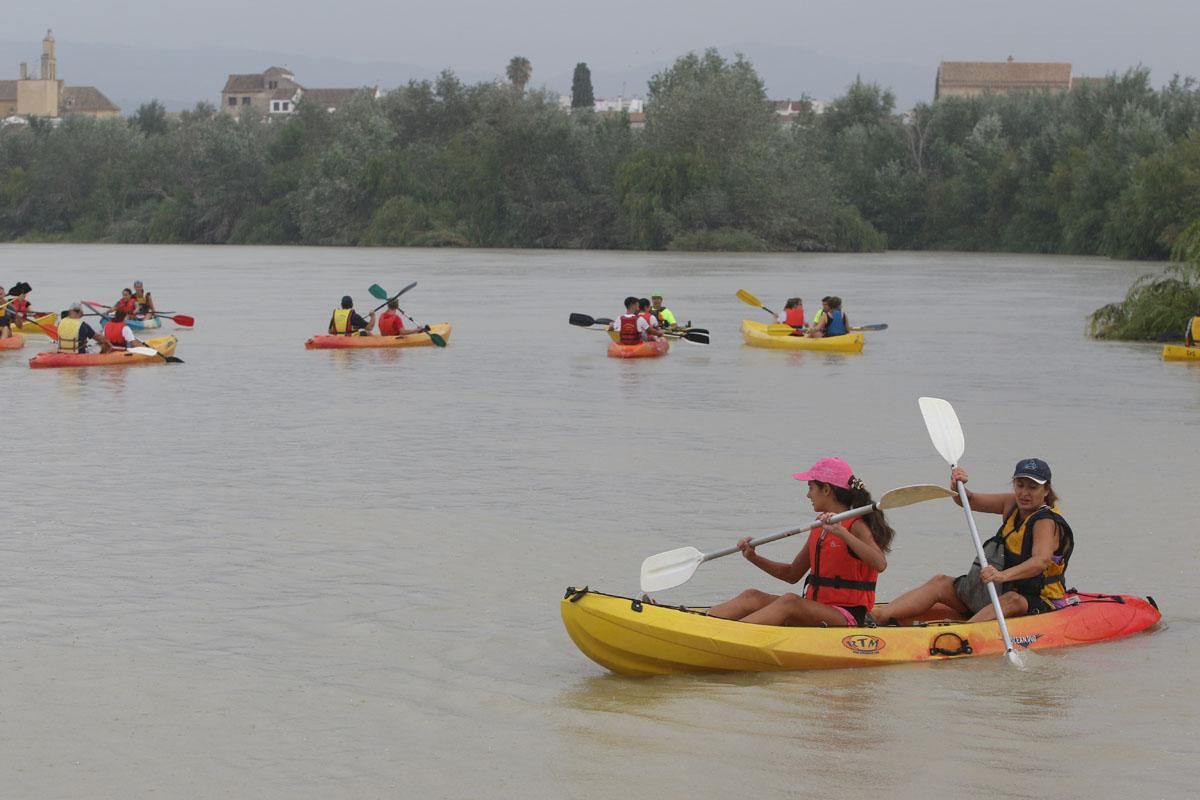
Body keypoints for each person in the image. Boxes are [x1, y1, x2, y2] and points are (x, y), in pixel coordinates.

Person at [873, 459, 1074, 626]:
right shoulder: (1011, 503)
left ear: (1046, 490)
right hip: (995, 592)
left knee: (1010, 601)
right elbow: (968, 500)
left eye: (1033, 487)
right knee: (940, 582)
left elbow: (1040, 561)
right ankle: (878, 617)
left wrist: (1002, 575)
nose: (1024, 493)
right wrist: (959, 486)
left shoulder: (1045, 521)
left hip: (1037, 600)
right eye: (1020, 485)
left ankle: (964, 633)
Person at [706, 457, 895, 627]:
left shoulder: (856, 525)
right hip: (816, 608)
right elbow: (792, 574)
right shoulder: (820, 526)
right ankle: (703, 624)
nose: (808, 495)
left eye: (811, 488)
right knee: (752, 596)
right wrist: (754, 557)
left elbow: (880, 563)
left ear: (827, 490)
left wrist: (842, 533)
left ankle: (727, 635)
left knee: (790, 602)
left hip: (847, 616)